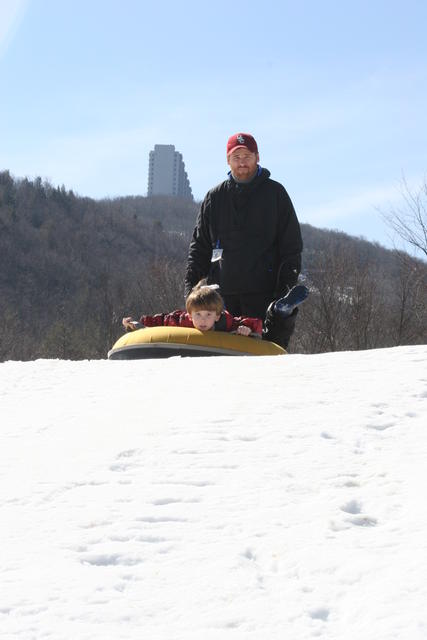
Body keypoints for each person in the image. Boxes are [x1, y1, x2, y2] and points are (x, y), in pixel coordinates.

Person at [184, 132, 305, 349]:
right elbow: (199, 249)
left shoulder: (275, 194)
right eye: (236, 157)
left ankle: (280, 311)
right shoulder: (214, 198)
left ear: (257, 157)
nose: (242, 163)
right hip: (221, 298)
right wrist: (191, 293)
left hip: (265, 294)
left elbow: (292, 248)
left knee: (266, 356)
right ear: (228, 160)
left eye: (247, 156)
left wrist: (284, 291)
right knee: (219, 360)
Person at [122, 279, 263, 336]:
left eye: (208, 315)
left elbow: (252, 323)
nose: (203, 320)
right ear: (190, 315)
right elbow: (162, 320)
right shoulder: (182, 321)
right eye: (198, 315)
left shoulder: (225, 322)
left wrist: (246, 328)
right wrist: (137, 324)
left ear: (217, 316)